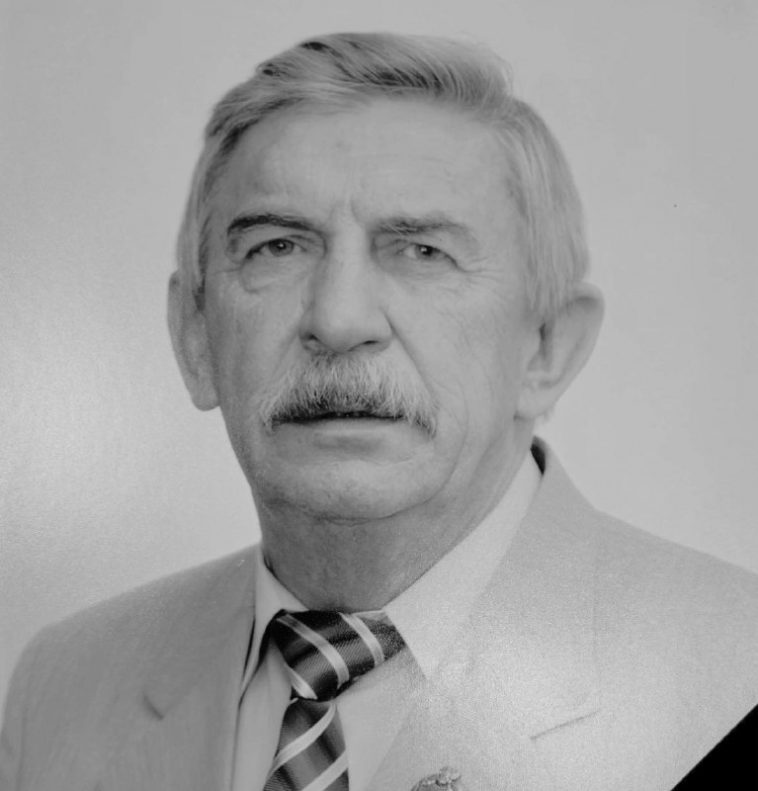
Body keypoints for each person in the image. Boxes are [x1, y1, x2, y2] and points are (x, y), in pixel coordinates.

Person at [1, 31, 757, 791]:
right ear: (195, 338)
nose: (338, 319)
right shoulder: (60, 686)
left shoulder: (736, 673)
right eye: (277, 247)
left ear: (547, 348)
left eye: (422, 251)